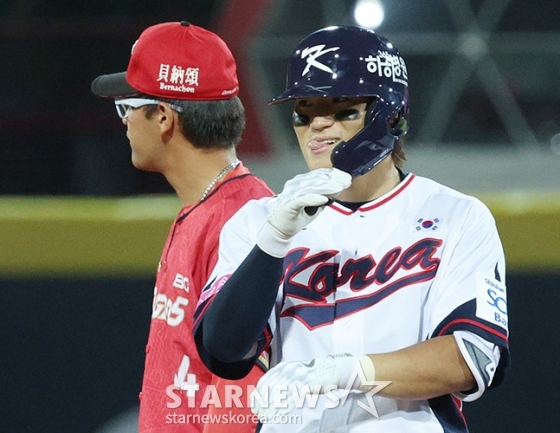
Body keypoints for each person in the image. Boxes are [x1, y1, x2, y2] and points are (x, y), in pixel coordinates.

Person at [193, 25, 510, 432]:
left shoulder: (456, 216)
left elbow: (472, 357)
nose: (318, 127)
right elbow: (223, 351)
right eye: (304, 113)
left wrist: (345, 371)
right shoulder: (259, 222)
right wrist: (273, 241)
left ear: (391, 115)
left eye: (343, 110)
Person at [91, 21, 273, 433]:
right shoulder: (208, 205)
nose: (123, 122)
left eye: (127, 107)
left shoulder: (242, 218)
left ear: (163, 118)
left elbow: (240, 384)